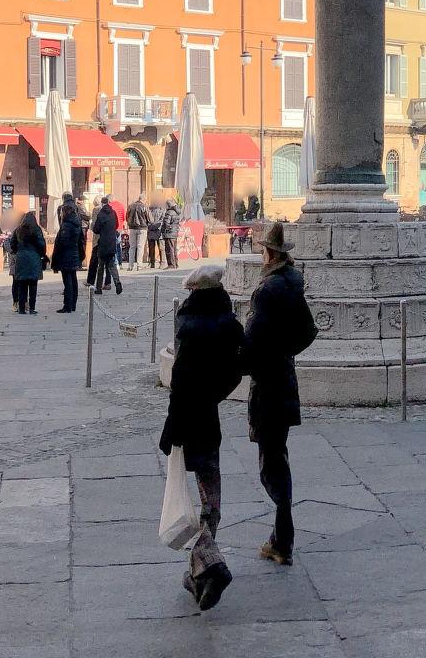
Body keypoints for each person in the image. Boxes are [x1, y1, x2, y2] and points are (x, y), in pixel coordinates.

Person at [160, 268, 245, 611]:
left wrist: (171, 428)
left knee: (186, 506)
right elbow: (239, 367)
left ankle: (212, 565)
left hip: (186, 420)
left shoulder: (189, 326)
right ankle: (199, 573)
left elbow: (179, 383)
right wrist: (216, 393)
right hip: (209, 417)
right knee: (211, 497)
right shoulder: (229, 323)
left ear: (194, 289)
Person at [242, 223, 314, 567]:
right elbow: (308, 331)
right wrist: (286, 351)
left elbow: (252, 341)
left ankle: (281, 540)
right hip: (285, 378)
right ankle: (280, 537)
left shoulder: (267, 291)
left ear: (269, 254)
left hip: (268, 386)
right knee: (277, 456)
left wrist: (244, 363)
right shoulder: (293, 286)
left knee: (271, 465)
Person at [8, 210, 47, 314]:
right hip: (34, 258)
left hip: (21, 259)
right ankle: (32, 308)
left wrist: (18, 251)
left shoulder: (18, 230)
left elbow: (12, 244)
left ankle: (21, 308)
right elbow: (42, 244)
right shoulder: (36, 229)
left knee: (22, 285)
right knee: (33, 285)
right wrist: (42, 254)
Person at [52, 201, 86, 313]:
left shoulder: (66, 225)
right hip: (75, 254)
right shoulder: (77, 223)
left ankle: (67, 305)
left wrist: (57, 256)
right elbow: (82, 240)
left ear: (65, 212)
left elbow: (63, 242)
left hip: (66, 256)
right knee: (73, 280)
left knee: (67, 282)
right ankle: (73, 304)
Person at [90, 198, 124, 294]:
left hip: (103, 243)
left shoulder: (101, 214)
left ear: (102, 203)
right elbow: (117, 225)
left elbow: (96, 229)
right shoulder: (113, 212)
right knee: (112, 264)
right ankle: (117, 283)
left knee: (100, 266)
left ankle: (99, 288)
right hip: (112, 242)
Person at [159, 198, 181, 268]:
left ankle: (171, 265)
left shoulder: (169, 212)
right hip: (174, 233)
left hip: (169, 233)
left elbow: (166, 223)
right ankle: (175, 264)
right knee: (174, 249)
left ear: (168, 205)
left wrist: (166, 229)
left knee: (169, 249)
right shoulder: (176, 212)